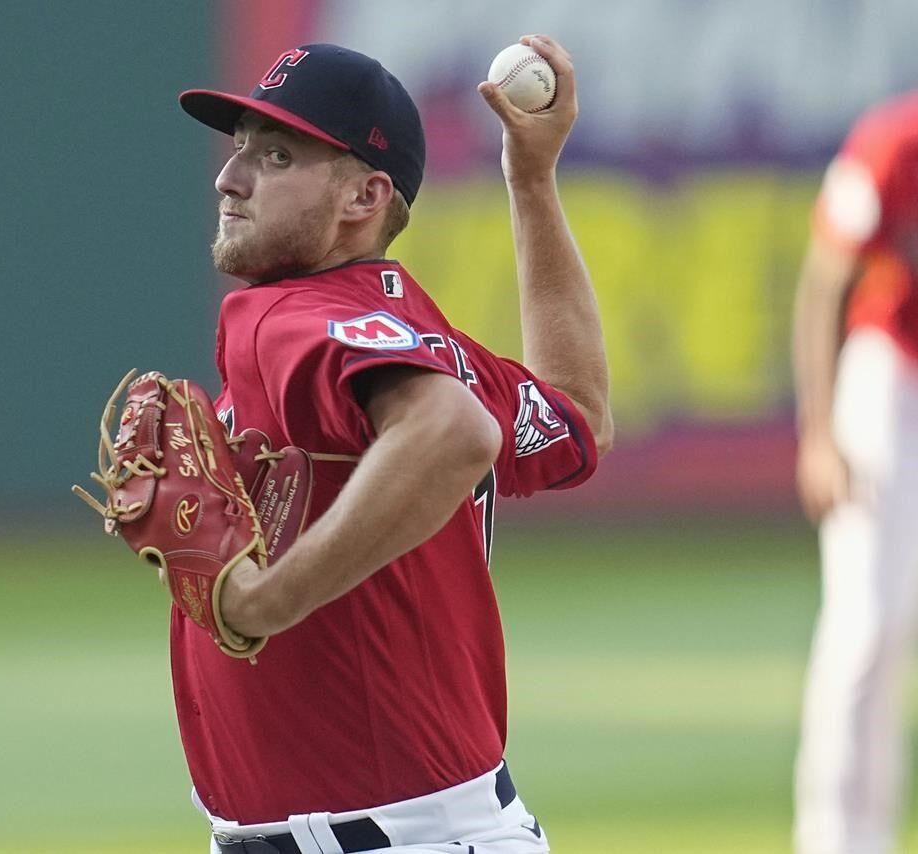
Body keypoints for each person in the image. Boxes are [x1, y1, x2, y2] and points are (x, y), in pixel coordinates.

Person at [174, 36, 613, 853]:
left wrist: (268, 599)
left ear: (364, 195)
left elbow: (454, 432)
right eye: (238, 150)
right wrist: (532, 180)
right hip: (437, 825)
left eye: (275, 156)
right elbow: (577, 414)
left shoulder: (285, 320)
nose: (230, 179)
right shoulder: (411, 332)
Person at [792, 90, 918, 854]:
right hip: (892, 378)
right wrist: (820, 431)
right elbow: (824, 281)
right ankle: (841, 839)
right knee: (868, 621)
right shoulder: (897, 140)